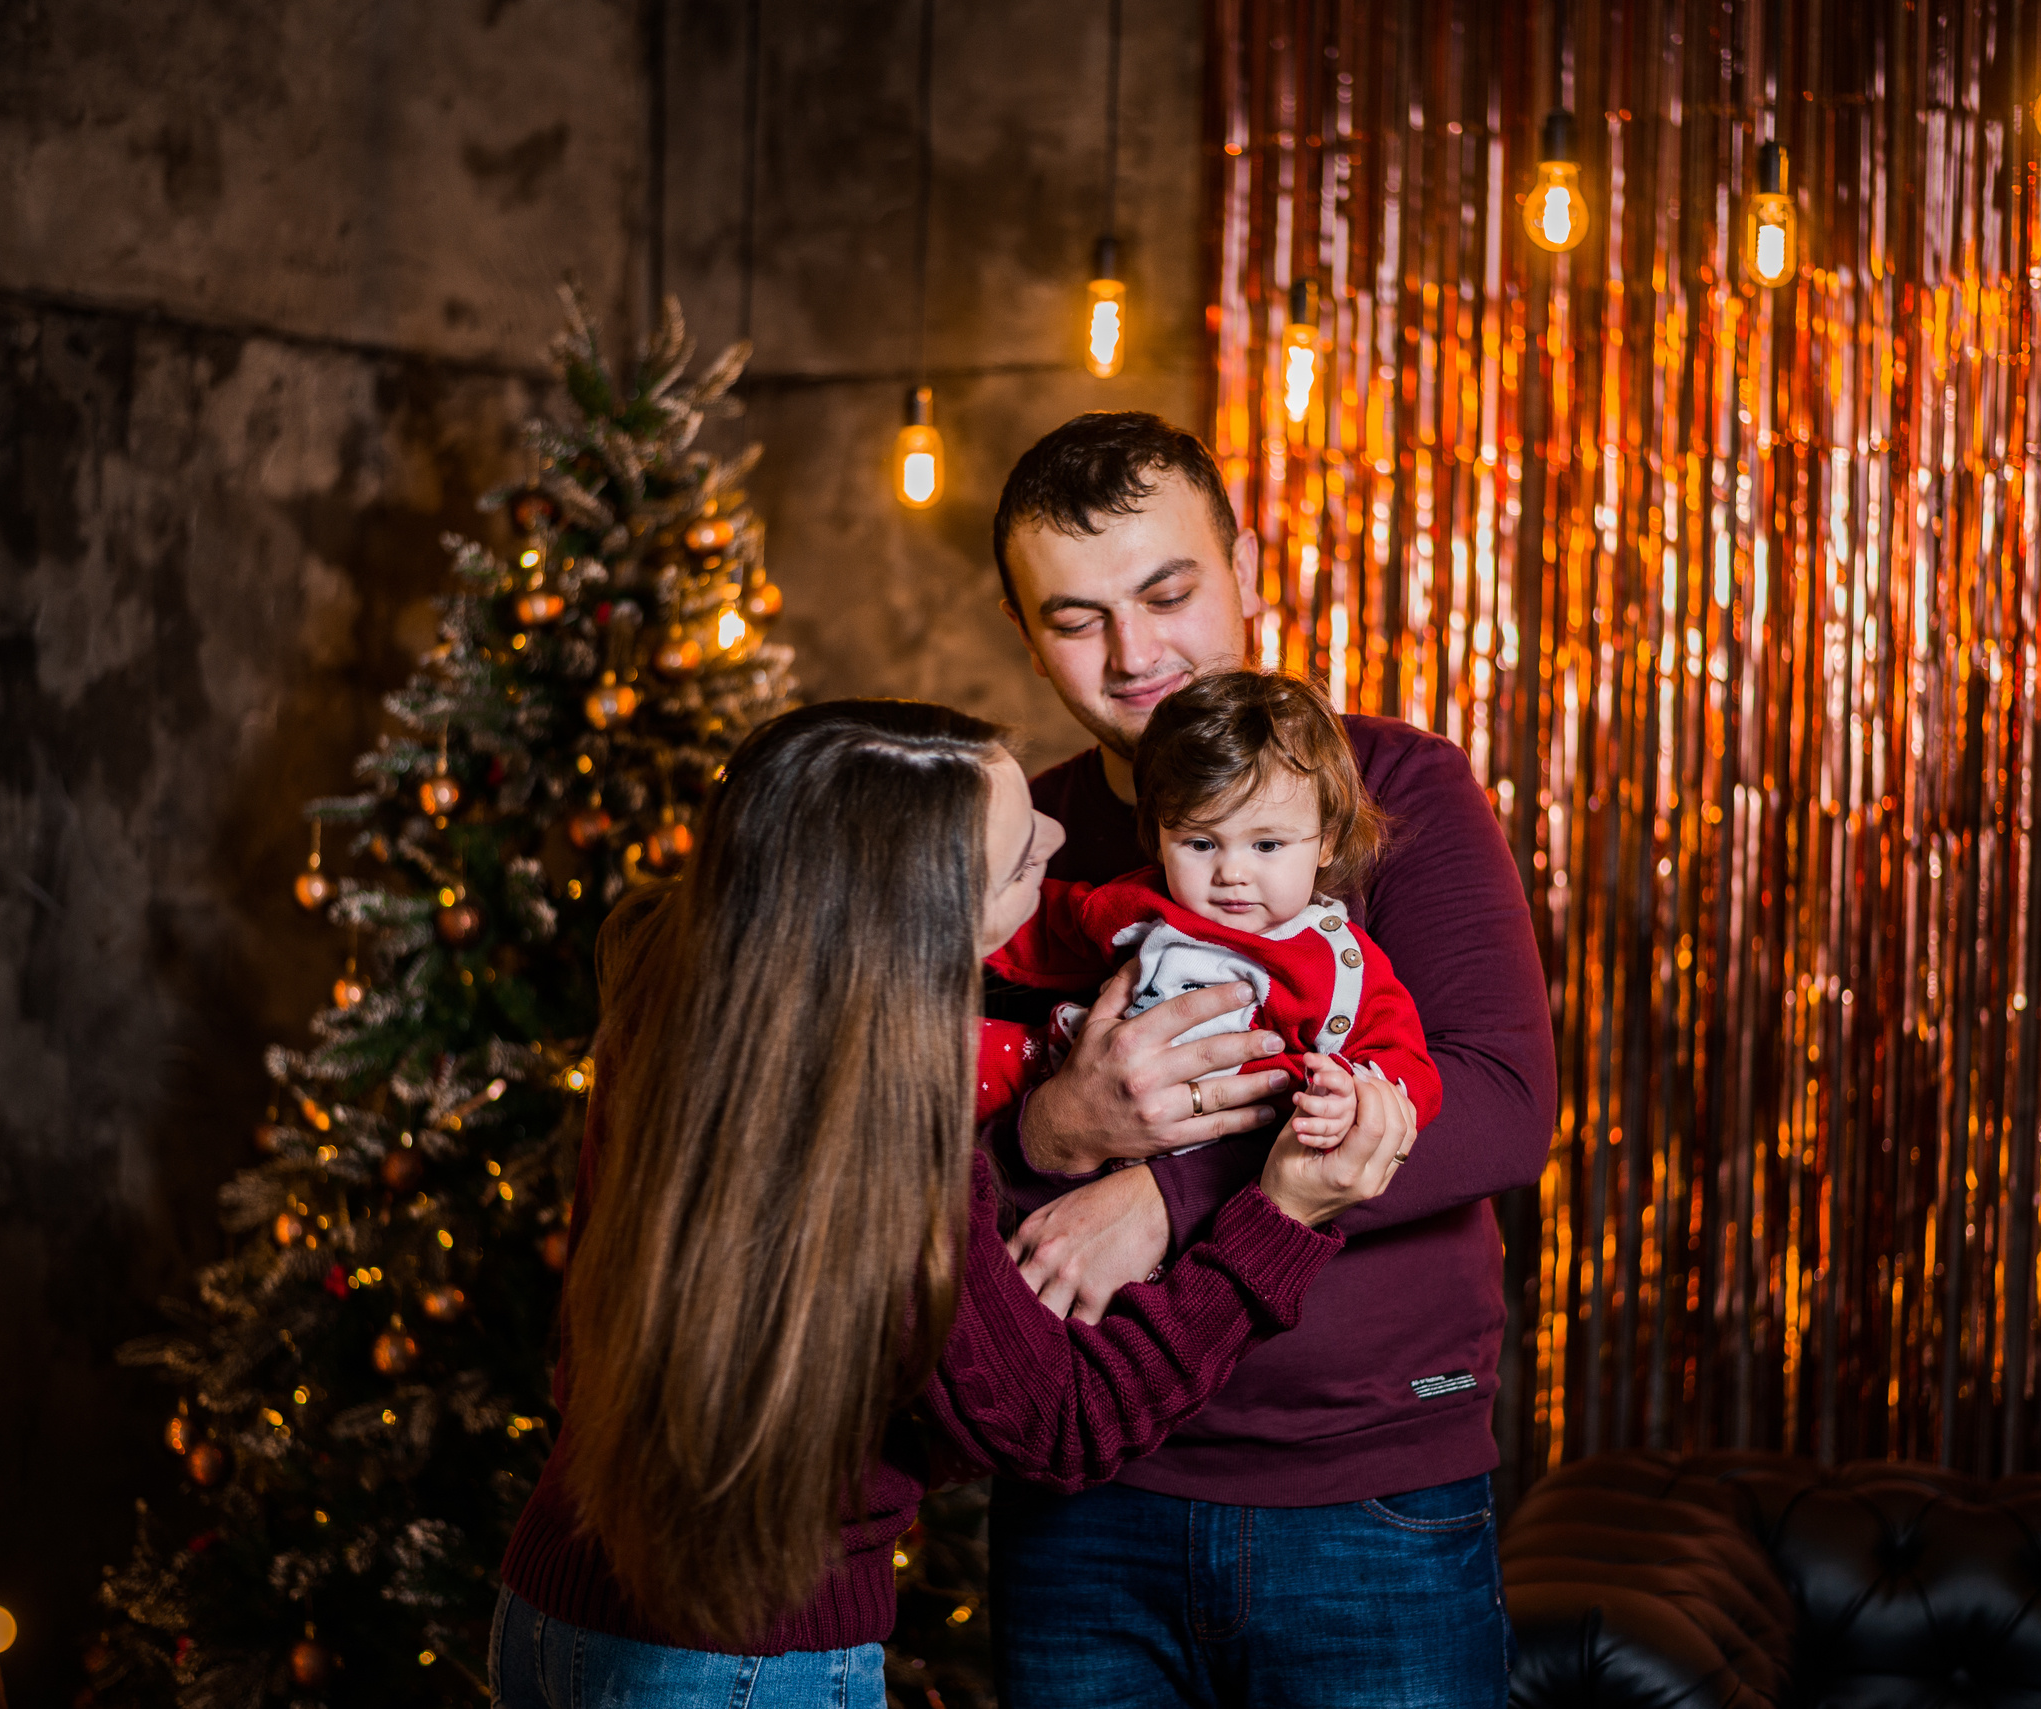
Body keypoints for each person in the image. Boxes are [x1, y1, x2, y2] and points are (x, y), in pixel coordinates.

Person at [490, 699, 1417, 1709]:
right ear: (925, 927)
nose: (1063, 839)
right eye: (1023, 858)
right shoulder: (872, 1120)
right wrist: (1278, 1214)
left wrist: (1043, 1138)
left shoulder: (709, 992)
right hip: (741, 1655)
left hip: (553, 1598)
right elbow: (1064, 1420)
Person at [983, 414, 1556, 1709]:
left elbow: (1503, 1109)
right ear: (1025, 633)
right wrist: (1055, 1135)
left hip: (1366, 1500)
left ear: (1245, 571)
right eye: (1075, 618)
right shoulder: (1022, 838)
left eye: (1169, 592)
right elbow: (925, 1140)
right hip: (1083, 1497)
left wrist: (1166, 1194)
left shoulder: (1396, 788)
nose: (1135, 655)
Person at [984, 668, 1442, 1152]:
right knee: (959, 1058)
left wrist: (1350, 1099)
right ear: (1160, 838)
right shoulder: (1143, 905)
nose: (1231, 873)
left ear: (1326, 841)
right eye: (1201, 843)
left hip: (1234, 1152)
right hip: (1085, 1097)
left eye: (1266, 844)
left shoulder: (1338, 965)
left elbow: (1405, 1063)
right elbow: (1045, 925)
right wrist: (959, 910)